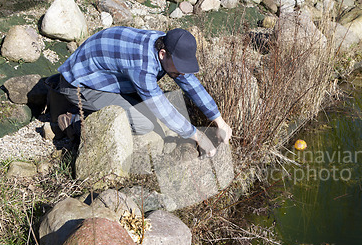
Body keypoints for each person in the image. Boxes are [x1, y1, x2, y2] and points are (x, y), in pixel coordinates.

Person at [55, 26, 232, 157]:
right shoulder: (143, 66)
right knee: (143, 124)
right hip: (79, 85)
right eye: (179, 67)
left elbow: (190, 82)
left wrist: (219, 120)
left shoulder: (162, 41)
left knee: (148, 109)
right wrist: (198, 136)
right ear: (163, 54)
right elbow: (161, 107)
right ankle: (74, 122)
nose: (182, 72)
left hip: (101, 75)